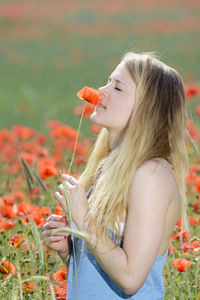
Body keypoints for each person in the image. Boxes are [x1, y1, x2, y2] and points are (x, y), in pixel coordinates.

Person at [42, 51, 190, 299]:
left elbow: (131, 279)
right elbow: (100, 275)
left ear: (147, 109)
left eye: (117, 87)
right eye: (107, 81)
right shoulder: (106, 167)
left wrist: (84, 219)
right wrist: (69, 250)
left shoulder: (151, 174)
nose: (101, 90)